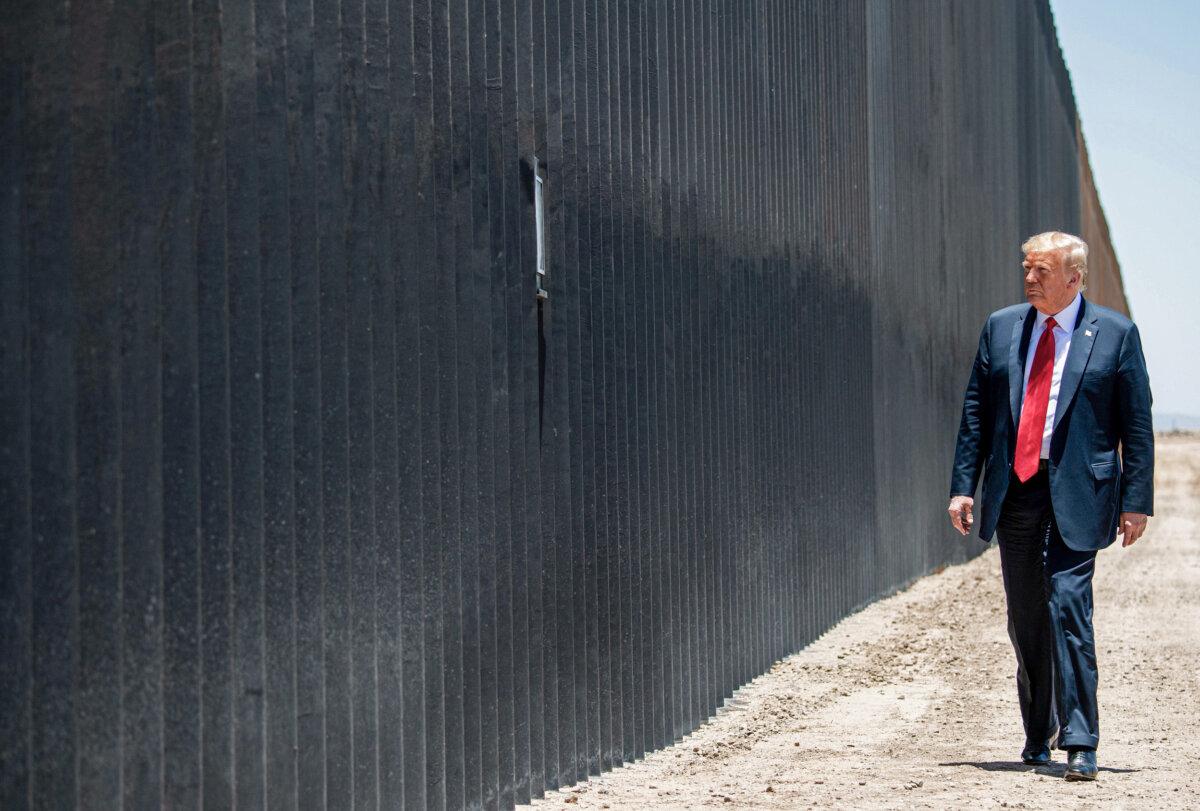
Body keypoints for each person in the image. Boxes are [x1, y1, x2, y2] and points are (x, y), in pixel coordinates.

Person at [947, 231, 1154, 782]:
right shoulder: (1001, 327)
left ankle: (1081, 739)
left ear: (1074, 277)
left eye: (1041, 270)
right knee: (1026, 617)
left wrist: (1136, 501)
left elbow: (1136, 425)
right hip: (1015, 491)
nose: (1030, 278)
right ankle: (1038, 733)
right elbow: (976, 412)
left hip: (1080, 495)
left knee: (1068, 605)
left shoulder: (1115, 334)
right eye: (1027, 268)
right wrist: (963, 485)